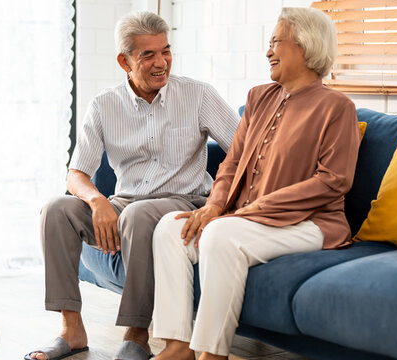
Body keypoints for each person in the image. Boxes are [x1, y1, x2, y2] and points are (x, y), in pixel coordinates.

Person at [25, 11, 239, 360]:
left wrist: (223, 202)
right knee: (56, 209)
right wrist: (98, 202)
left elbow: (246, 150)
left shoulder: (198, 95)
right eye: (148, 55)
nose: (161, 63)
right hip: (126, 204)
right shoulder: (104, 105)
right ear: (124, 62)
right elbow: (76, 174)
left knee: (138, 215)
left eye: (165, 51)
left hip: (184, 201)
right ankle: (71, 329)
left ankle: (137, 335)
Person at [150, 7, 360, 360]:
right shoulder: (259, 97)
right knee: (170, 228)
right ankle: (178, 346)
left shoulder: (337, 107)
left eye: (276, 42)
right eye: (269, 43)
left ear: (306, 46)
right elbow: (231, 163)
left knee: (220, 235)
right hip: (247, 219)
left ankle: (211, 354)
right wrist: (215, 206)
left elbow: (333, 181)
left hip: (311, 224)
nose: (268, 52)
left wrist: (251, 211)